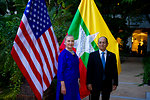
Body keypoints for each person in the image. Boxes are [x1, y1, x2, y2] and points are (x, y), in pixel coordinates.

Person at [56, 35, 81, 100]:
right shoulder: (63, 54)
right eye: (68, 41)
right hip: (66, 83)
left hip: (74, 83)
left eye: (72, 41)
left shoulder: (74, 54)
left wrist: (78, 80)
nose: (70, 43)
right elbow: (60, 71)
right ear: (65, 42)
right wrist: (63, 86)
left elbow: (76, 68)